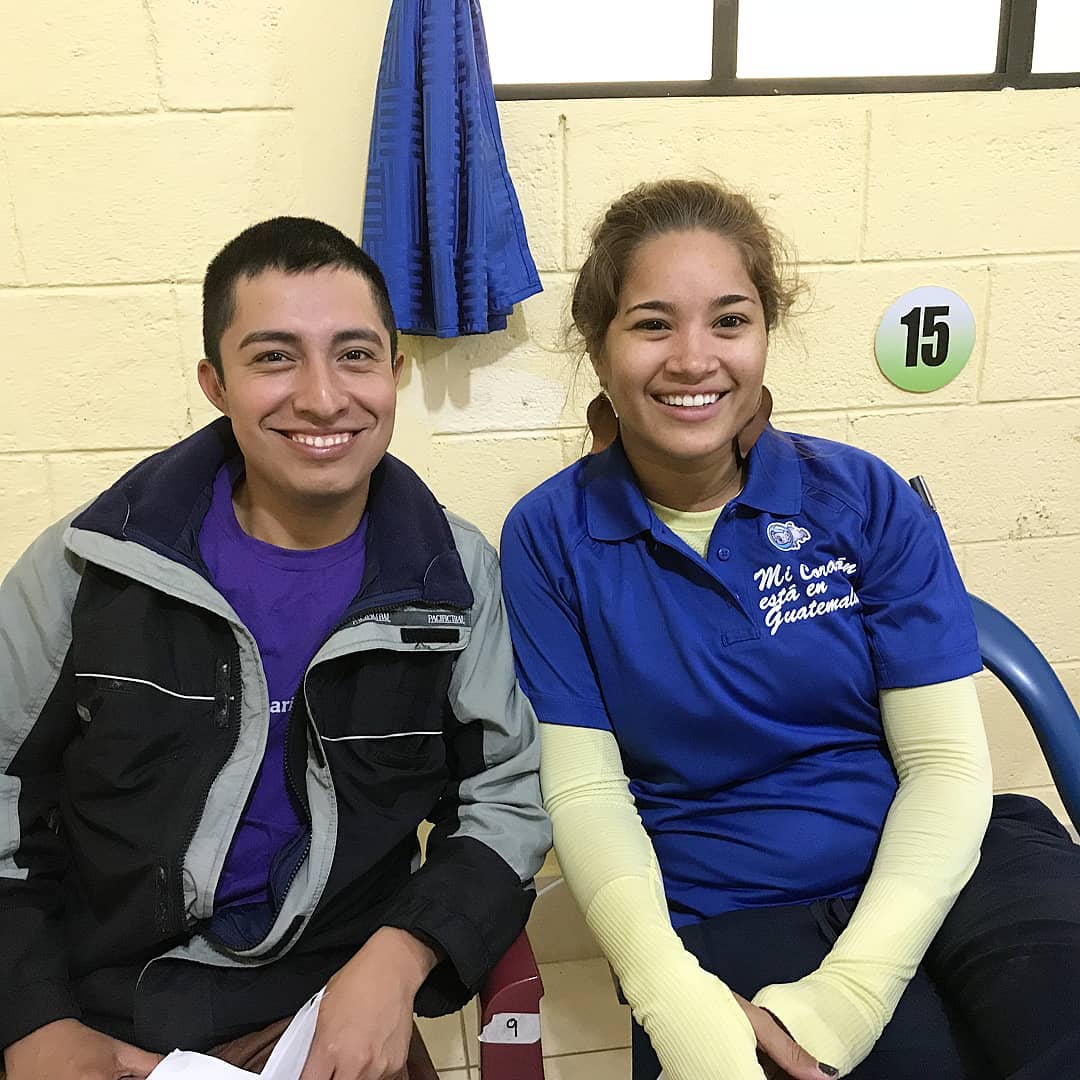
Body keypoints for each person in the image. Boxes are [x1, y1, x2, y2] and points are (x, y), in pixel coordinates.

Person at [500, 178, 1080, 1080]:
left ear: (765, 334)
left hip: (948, 860)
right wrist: (664, 989)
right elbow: (584, 792)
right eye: (653, 324)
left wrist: (854, 989)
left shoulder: (862, 494)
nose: (694, 359)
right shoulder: (549, 537)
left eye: (729, 321)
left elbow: (946, 764)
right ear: (598, 344)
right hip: (730, 907)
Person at [0, 217, 550, 1080]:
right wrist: (30, 1019)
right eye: (274, 357)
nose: (324, 397)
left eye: (356, 355)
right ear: (214, 384)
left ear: (396, 373)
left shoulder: (455, 578)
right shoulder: (85, 567)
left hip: (332, 1011)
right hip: (102, 1012)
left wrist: (402, 954)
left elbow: (509, 799)